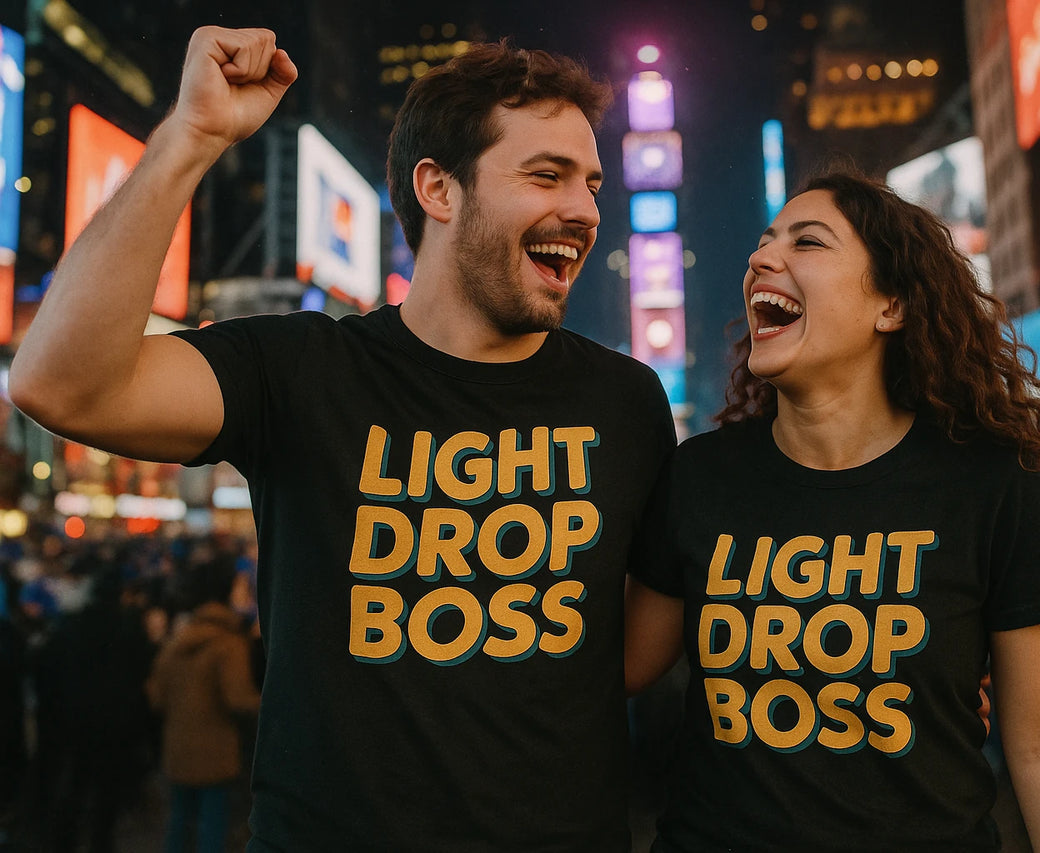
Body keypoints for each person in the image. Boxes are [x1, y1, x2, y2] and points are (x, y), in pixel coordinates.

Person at [9, 26, 675, 851]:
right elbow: (58, 384)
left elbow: (631, 652)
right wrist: (191, 136)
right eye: (547, 174)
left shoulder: (626, 401)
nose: (584, 210)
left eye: (592, 183)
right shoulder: (300, 368)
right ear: (438, 188)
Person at [624, 169, 1040, 851]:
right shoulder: (699, 475)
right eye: (763, 244)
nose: (762, 259)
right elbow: (617, 665)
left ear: (892, 305)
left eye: (807, 242)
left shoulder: (993, 484)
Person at [147, 554, 260, 853]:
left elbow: (156, 694)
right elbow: (239, 699)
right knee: (213, 826)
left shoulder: (179, 639)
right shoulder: (229, 643)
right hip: (216, 752)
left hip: (177, 748)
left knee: (178, 822)